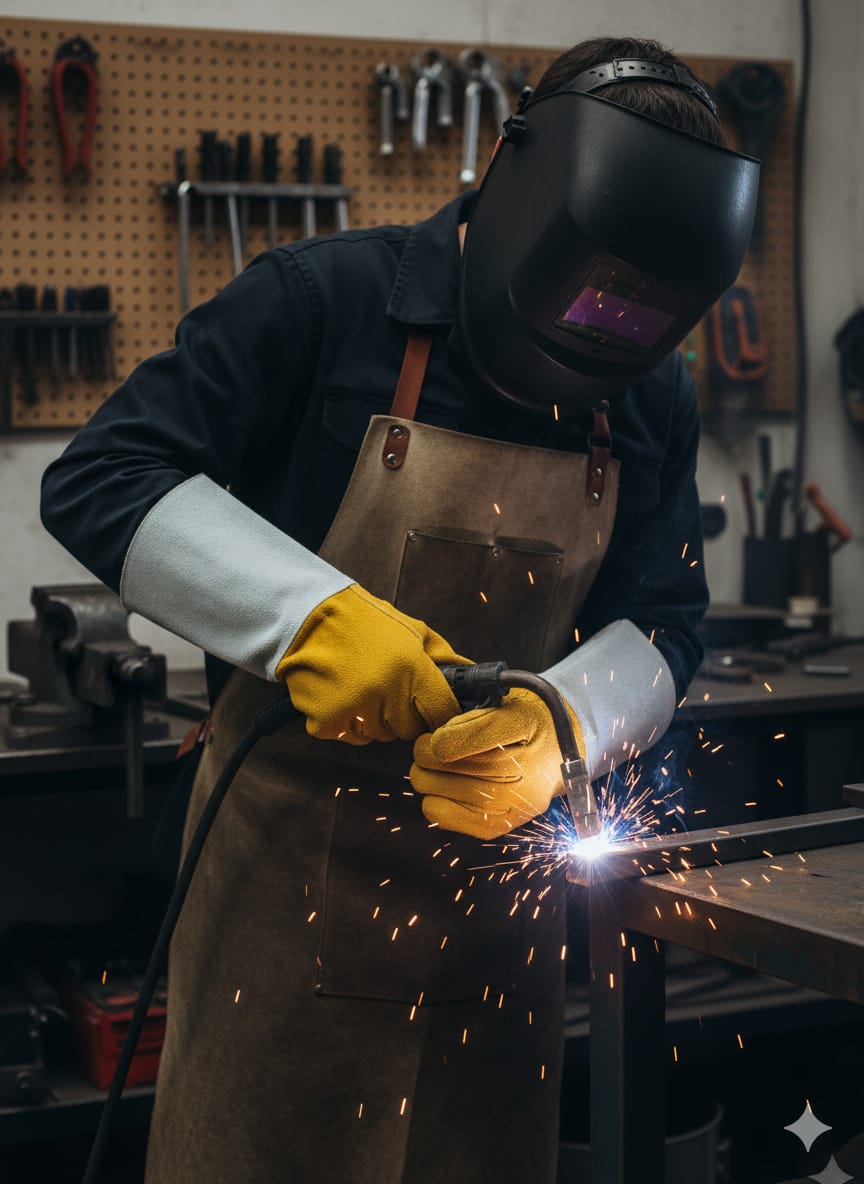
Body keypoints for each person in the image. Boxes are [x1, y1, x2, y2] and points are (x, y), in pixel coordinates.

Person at [40, 35, 758, 1184]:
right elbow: (100, 477)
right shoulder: (322, 302)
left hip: (497, 916)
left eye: (641, 318)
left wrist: (564, 723)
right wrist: (314, 617)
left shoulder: (651, 398)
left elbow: (669, 622)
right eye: (591, 290)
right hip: (280, 900)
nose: (605, 329)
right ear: (515, 177)